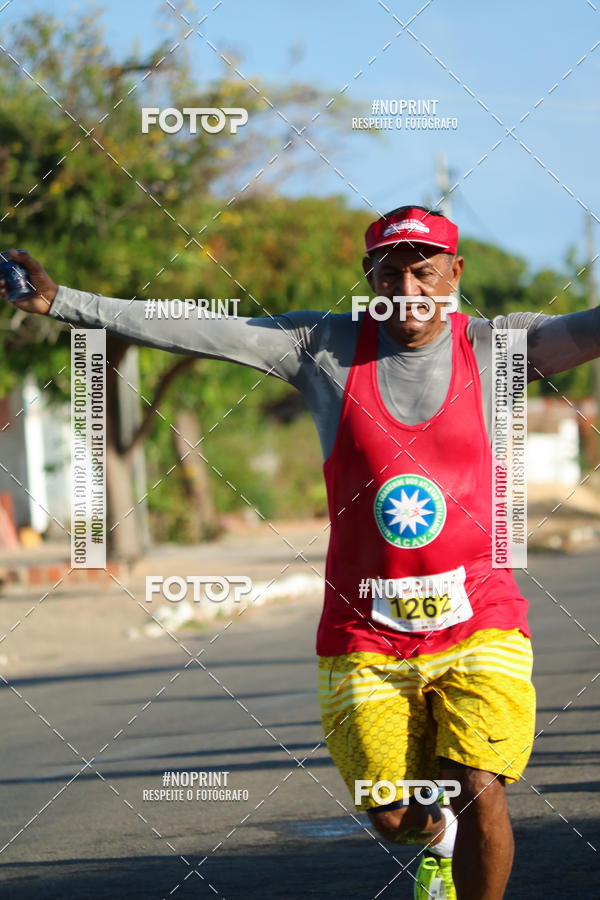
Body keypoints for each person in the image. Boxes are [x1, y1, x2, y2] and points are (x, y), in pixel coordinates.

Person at [4, 207, 600, 900]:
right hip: (366, 632)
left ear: (455, 275)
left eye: (425, 271)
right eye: (391, 271)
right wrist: (62, 303)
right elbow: (202, 327)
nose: (409, 288)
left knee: (480, 783)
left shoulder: (501, 349)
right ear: (368, 276)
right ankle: (434, 837)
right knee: (393, 812)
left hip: (482, 619)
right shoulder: (321, 347)